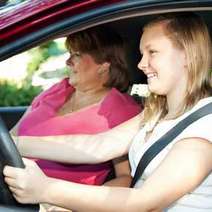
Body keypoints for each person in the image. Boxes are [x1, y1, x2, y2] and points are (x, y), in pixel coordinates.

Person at [4, 12, 212, 212]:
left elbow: (146, 202)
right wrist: (12, 144)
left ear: (187, 54)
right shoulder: (156, 113)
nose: (140, 64)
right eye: (141, 54)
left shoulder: (205, 125)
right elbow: (96, 145)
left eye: (152, 52)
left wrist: (46, 190)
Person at [9, 26, 141, 188]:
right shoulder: (58, 89)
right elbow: (11, 137)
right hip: (8, 179)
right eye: (69, 53)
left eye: (77, 54)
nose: (67, 61)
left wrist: (72, 204)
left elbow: (125, 178)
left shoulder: (121, 109)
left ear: (104, 65)